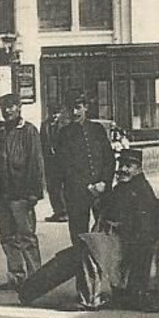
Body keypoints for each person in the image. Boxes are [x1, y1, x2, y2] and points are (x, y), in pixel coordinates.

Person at [0, 93, 45, 291]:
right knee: (7, 237)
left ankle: (37, 278)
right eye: (4, 107)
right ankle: (16, 278)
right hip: (3, 194)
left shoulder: (29, 131)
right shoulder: (2, 133)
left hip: (21, 193)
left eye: (11, 106)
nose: (7, 111)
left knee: (26, 237)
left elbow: (36, 163)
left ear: (19, 107)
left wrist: (34, 192)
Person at [101, 148, 159, 307]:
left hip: (136, 236)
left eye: (128, 166)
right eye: (121, 165)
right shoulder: (121, 187)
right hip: (124, 234)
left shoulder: (141, 189)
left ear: (139, 168)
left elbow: (145, 222)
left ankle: (132, 292)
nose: (123, 169)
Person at [55, 92, 115, 245]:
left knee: (105, 234)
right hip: (77, 193)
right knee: (79, 236)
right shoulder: (64, 134)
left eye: (78, 108)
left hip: (101, 191)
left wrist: (104, 182)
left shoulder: (98, 130)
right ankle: (80, 268)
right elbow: (65, 167)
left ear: (86, 108)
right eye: (71, 109)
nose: (74, 113)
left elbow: (109, 159)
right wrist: (87, 186)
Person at [41, 106, 68, 222]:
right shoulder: (45, 125)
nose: (54, 116)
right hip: (49, 161)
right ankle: (57, 211)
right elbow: (41, 142)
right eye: (52, 113)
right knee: (52, 187)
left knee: (63, 187)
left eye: (56, 114)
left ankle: (65, 211)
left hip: (61, 161)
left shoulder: (65, 125)